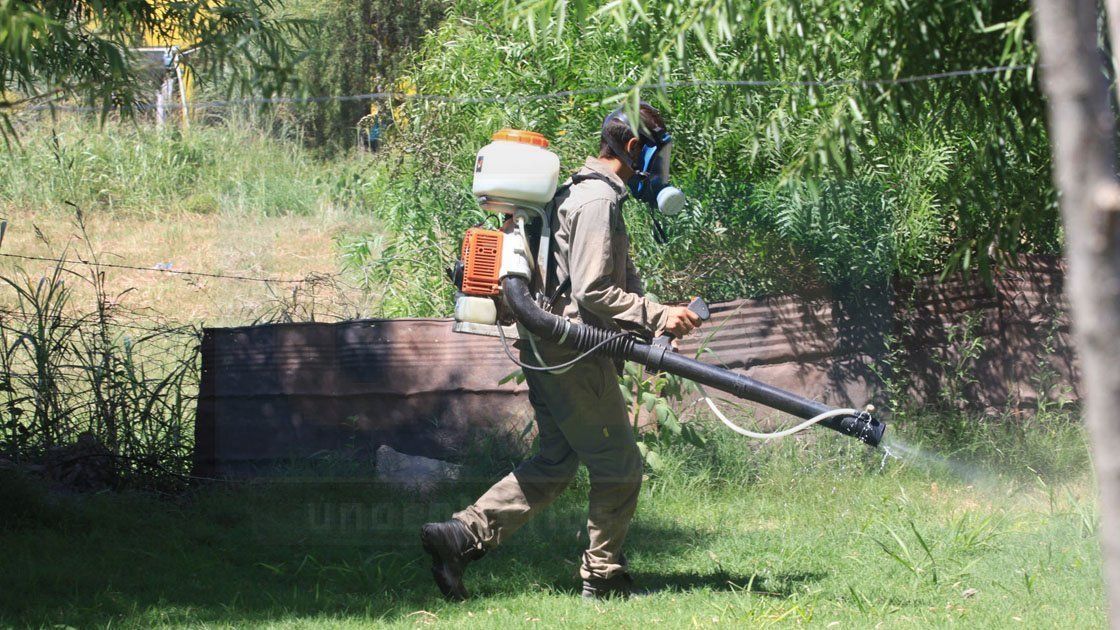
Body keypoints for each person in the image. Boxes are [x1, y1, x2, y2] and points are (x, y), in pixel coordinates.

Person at [421, 103, 702, 601]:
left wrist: (652, 319)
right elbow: (594, 291)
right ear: (632, 148)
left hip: (546, 347)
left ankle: (460, 536)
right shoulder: (598, 200)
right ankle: (604, 578)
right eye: (656, 157)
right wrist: (660, 315)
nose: (659, 170)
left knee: (557, 460)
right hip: (574, 355)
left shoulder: (572, 189)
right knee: (619, 467)